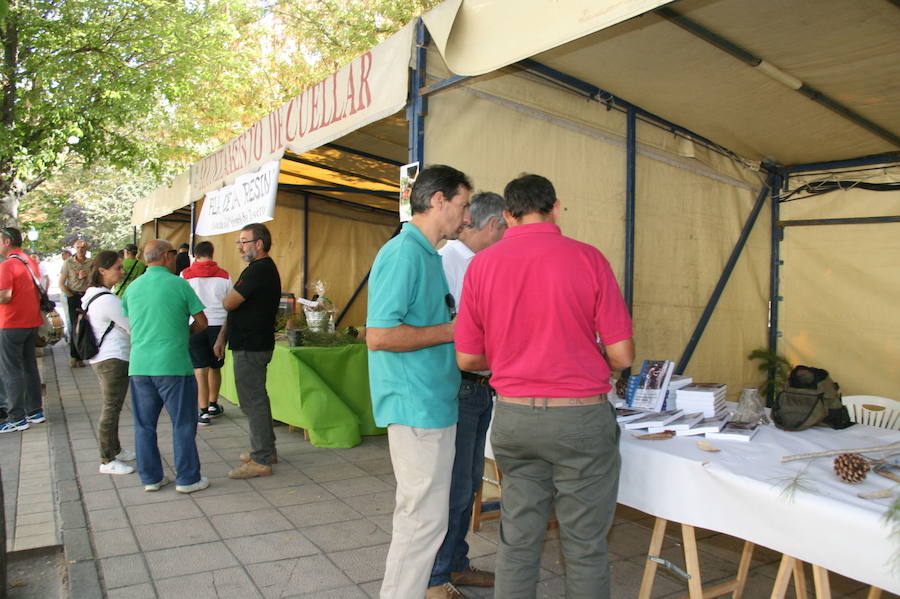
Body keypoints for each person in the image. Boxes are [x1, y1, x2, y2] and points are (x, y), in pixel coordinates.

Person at [454, 174, 634, 599]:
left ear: (509, 215)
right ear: (555, 207)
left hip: (515, 415)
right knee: (585, 547)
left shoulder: (482, 265)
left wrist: (510, 358)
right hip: (581, 417)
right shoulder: (589, 259)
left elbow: (467, 359)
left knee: (518, 543)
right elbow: (623, 356)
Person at [366, 164, 472, 599]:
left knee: (428, 519)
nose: (466, 217)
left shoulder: (425, 253)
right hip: (416, 406)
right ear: (438, 200)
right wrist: (455, 329)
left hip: (432, 401)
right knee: (421, 519)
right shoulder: (404, 252)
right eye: (463, 206)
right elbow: (379, 335)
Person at [428, 191, 506, 598]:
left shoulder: (474, 262)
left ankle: (456, 562)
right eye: (505, 229)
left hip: (480, 387)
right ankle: (437, 576)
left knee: (470, 482)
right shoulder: (449, 262)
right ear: (492, 224)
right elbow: (458, 332)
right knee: (455, 485)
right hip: (462, 386)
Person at [122, 239, 209, 493]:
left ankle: (151, 478)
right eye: (174, 254)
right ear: (166, 256)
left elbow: (130, 320)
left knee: (144, 425)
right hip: (173, 365)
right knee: (182, 423)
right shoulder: (179, 285)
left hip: (140, 365)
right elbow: (203, 322)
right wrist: (182, 333)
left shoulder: (132, 288)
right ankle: (188, 478)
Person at [214, 223, 281, 479]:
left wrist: (228, 298)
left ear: (259, 244)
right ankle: (266, 449)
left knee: (252, 401)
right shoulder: (256, 269)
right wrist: (222, 337)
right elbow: (235, 308)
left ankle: (261, 458)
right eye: (239, 242)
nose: (240, 247)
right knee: (255, 399)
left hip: (252, 345)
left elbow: (230, 302)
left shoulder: (259, 270)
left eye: (244, 241)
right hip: (249, 342)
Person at [82, 251, 136, 475]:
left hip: (105, 357)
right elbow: (131, 326)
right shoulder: (107, 300)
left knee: (113, 406)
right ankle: (106, 459)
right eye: (117, 267)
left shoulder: (93, 295)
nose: (122, 271)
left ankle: (115, 449)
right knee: (111, 408)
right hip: (112, 358)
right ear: (102, 270)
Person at [0, 227, 45, 433]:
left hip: (10, 323)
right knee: (29, 366)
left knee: (11, 370)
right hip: (31, 322)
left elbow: (5, 295)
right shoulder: (29, 261)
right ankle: (35, 411)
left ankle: (17, 418)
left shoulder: (8, 264)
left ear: (7, 241)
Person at [181, 241, 231, 426]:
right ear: (212, 253)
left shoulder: (185, 275)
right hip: (218, 325)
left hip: (195, 324)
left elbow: (182, 299)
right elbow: (230, 301)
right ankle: (213, 404)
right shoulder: (225, 276)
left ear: (195, 254)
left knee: (199, 368)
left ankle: (202, 412)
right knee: (215, 366)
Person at [59, 239, 93, 367]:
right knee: (75, 326)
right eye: (78, 247)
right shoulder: (68, 263)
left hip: (87, 295)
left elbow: (96, 279)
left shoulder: (91, 263)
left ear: (87, 249)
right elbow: (61, 283)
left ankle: (84, 354)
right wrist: (70, 295)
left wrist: (86, 276)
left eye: (83, 247)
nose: (81, 250)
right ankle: (74, 356)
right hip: (74, 295)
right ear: (75, 248)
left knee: (87, 325)